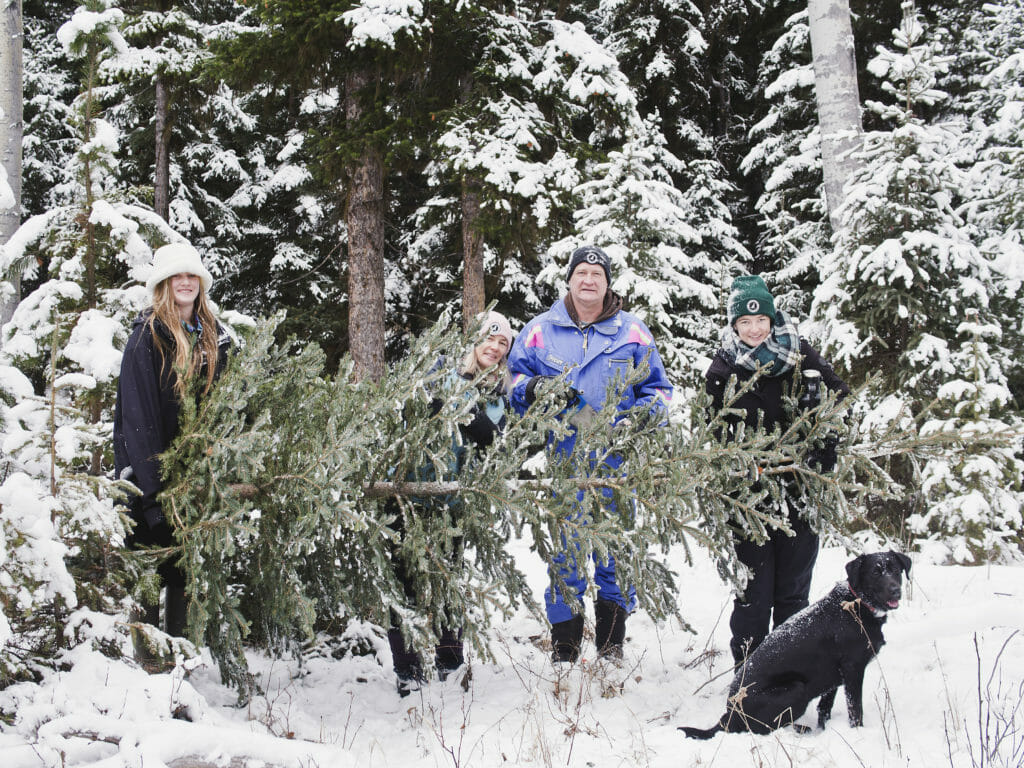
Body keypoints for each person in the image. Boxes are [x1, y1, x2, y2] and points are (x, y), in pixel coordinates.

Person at [508, 245, 672, 663]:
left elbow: (658, 391)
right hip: (564, 463)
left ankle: (612, 648)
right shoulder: (541, 330)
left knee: (615, 554)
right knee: (564, 556)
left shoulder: (632, 331)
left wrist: (636, 419)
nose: (588, 280)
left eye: (597, 274)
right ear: (569, 278)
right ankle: (564, 652)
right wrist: (532, 390)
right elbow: (511, 379)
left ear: (607, 283)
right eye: (581, 271)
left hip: (618, 465)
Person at [705, 274, 849, 665]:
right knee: (752, 593)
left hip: (799, 493)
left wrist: (824, 443)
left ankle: (790, 674)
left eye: (761, 321)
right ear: (734, 324)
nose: (754, 329)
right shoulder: (723, 368)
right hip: (748, 497)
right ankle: (748, 678)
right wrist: (734, 461)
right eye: (744, 323)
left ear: (772, 319)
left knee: (793, 593)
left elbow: (840, 401)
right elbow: (711, 430)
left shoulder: (802, 355)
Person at [387, 310, 514, 695]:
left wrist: (480, 425)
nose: (493, 347)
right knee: (405, 586)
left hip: (453, 507)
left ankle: (450, 661)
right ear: (473, 341)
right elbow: (411, 404)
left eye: (502, 342)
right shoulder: (440, 372)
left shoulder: (497, 396)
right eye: (488, 338)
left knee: (448, 583)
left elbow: (494, 445)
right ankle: (407, 671)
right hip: (408, 496)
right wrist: (444, 406)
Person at [114, 242, 232, 639]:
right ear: (163, 284)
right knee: (148, 575)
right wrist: (153, 497)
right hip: (147, 482)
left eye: (191, 275)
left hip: (192, 484)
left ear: (201, 282)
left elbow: (224, 407)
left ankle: (182, 669)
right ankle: (146, 674)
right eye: (176, 275)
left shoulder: (214, 338)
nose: (185, 282)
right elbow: (138, 421)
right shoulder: (146, 338)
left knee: (185, 576)